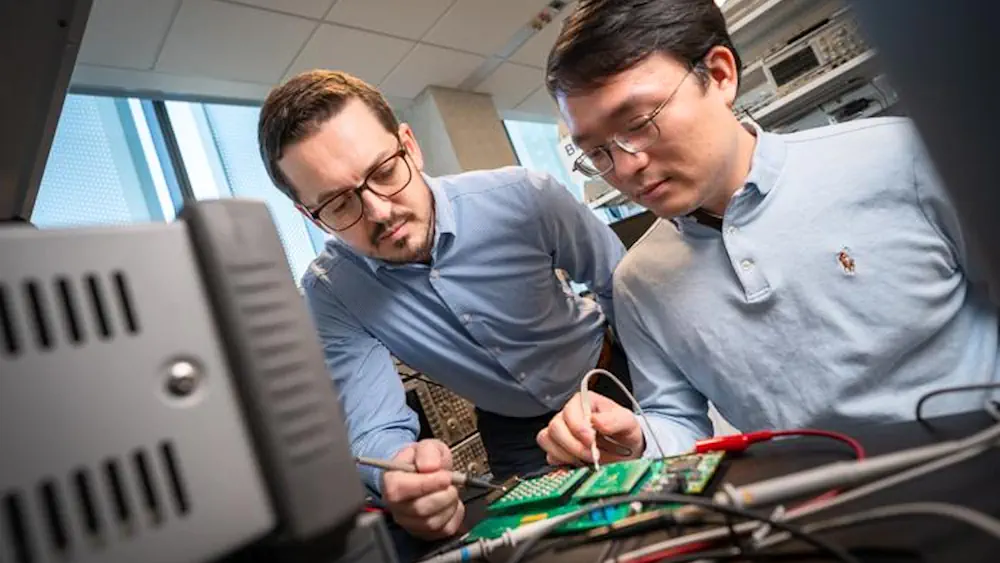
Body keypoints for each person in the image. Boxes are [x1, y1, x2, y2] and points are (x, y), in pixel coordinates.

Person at [535, 0, 999, 467]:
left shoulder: (901, 157)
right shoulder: (638, 282)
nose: (626, 166)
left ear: (719, 76)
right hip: (815, 508)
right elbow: (675, 419)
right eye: (596, 153)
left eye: (638, 124)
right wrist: (635, 437)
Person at [257, 70, 627, 539]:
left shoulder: (524, 197)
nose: (379, 212)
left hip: (613, 374)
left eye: (385, 172)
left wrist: (661, 404)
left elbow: (623, 287)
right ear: (309, 215)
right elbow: (373, 428)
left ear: (409, 145)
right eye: (337, 204)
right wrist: (399, 475)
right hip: (515, 430)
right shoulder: (331, 290)